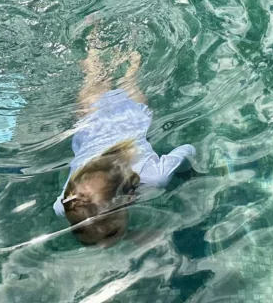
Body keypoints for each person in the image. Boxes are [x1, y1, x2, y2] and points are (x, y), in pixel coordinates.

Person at [53, 27, 196, 246]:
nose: (105, 246)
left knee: (124, 81)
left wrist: (189, 170)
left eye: (110, 236)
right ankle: (95, 34)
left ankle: (118, 46)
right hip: (90, 122)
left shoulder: (155, 177)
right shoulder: (64, 205)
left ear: (127, 199)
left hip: (130, 116)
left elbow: (187, 148)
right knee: (95, 75)